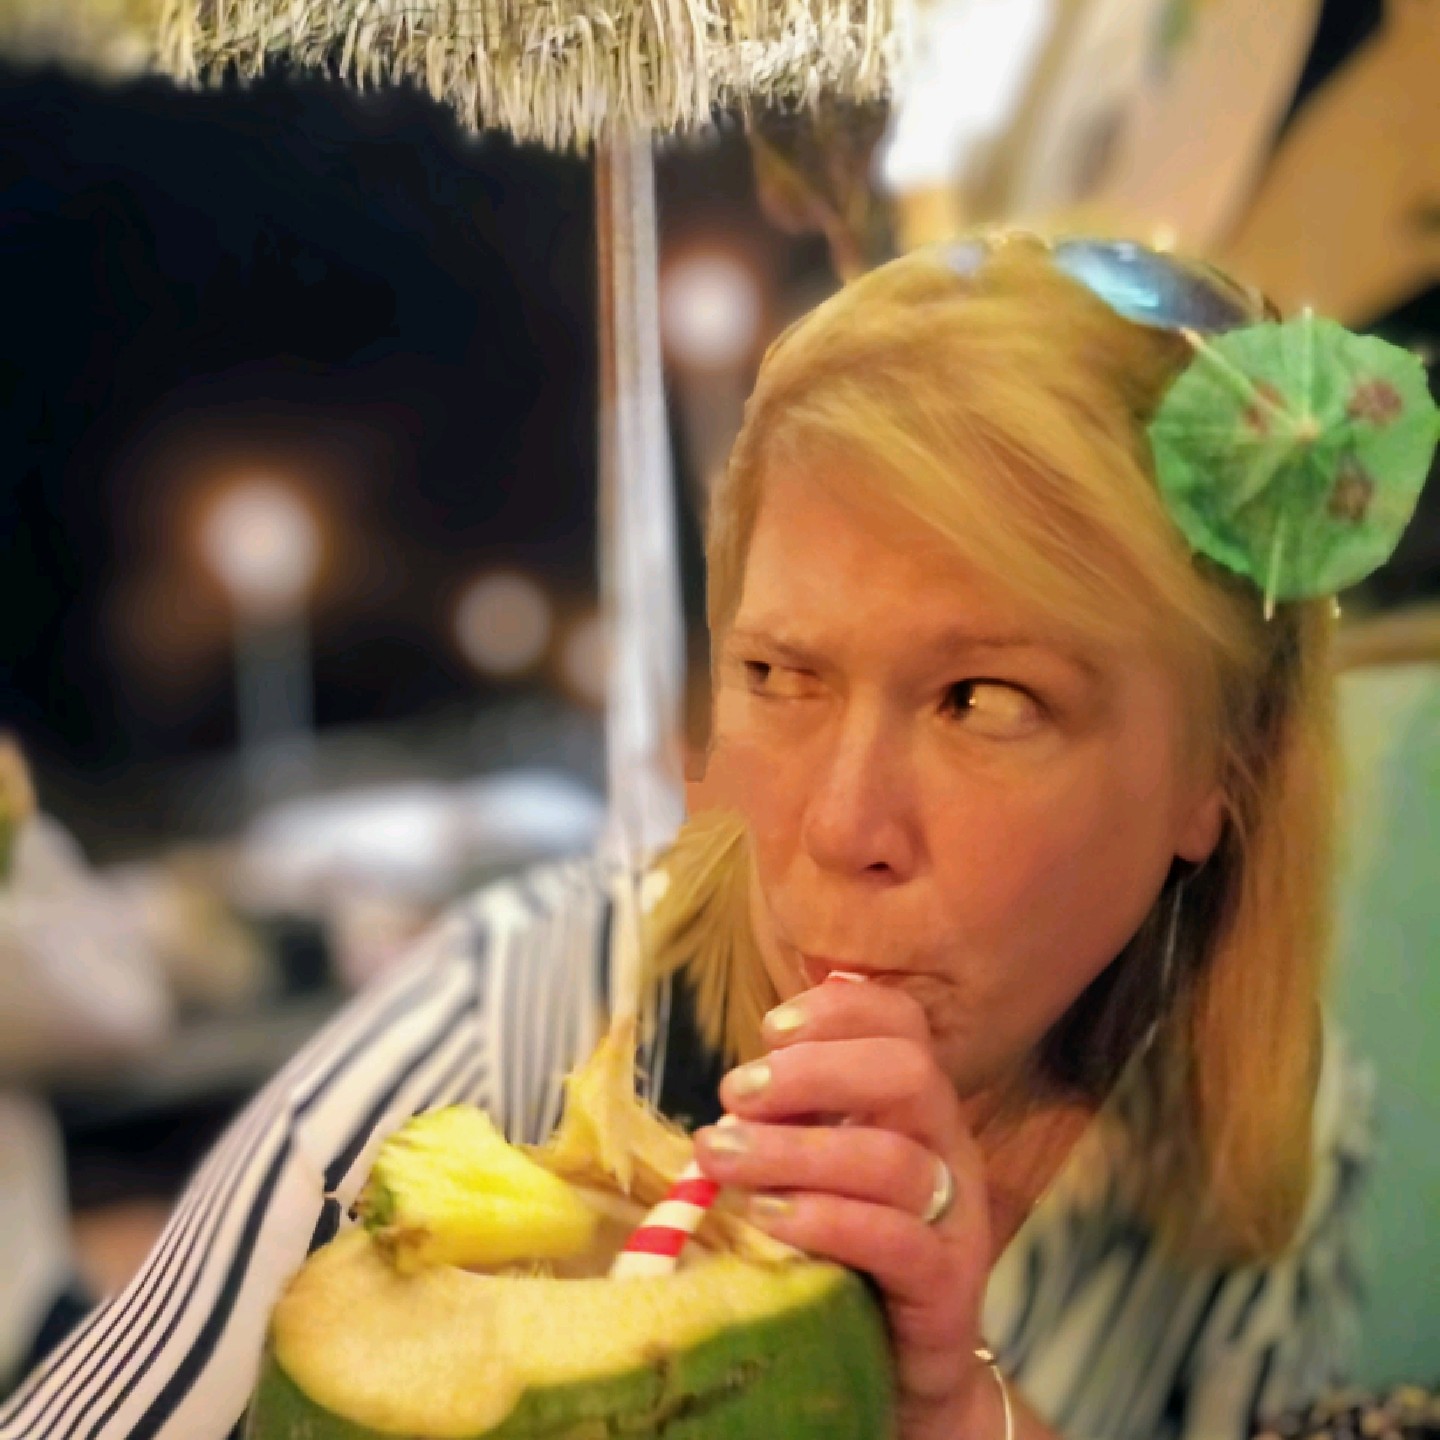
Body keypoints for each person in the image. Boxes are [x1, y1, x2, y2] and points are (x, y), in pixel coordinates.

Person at [0, 232, 1414, 1440]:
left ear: (1218, 775)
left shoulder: (1274, 1135)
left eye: (985, 700)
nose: (839, 827)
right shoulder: (517, 1015)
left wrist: (957, 1412)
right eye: (780, 675)